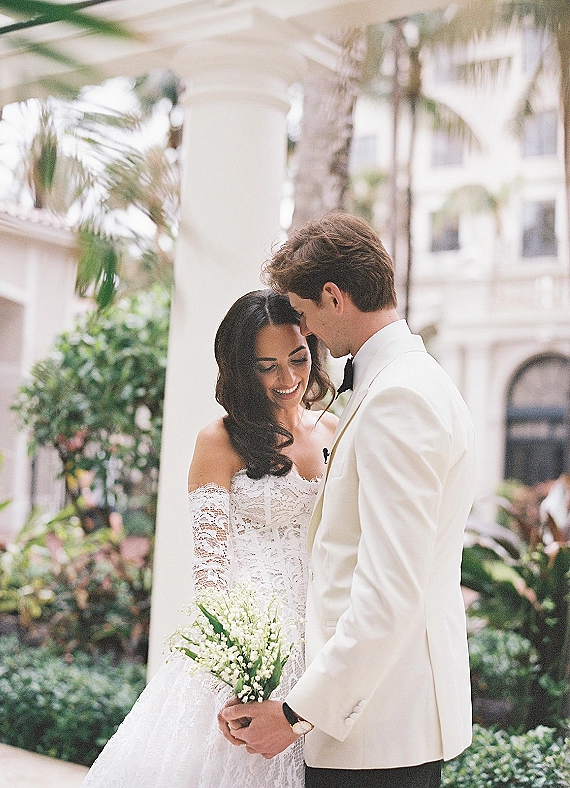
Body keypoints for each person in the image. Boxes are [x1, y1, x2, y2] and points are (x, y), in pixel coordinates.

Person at [220, 213, 477, 788]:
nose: (305, 332)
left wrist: (294, 713)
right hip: (381, 721)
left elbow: (390, 588)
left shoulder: (398, 398)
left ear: (333, 296)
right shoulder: (416, 380)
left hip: (378, 730)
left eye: (305, 313)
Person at [81, 289, 337, 788]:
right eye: (267, 366)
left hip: (322, 640)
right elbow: (210, 571)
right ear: (242, 370)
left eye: (298, 358)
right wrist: (238, 666)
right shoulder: (218, 439)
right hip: (250, 649)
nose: (288, 379)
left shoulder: (333, 429)